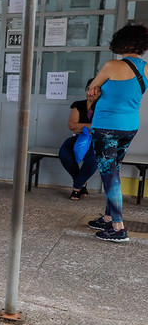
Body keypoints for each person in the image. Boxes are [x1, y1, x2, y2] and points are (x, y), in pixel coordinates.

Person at [86, 23, 148, 243]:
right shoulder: (146, 67)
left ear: (122, 43)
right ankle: (108, 217)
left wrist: (94, 94)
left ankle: (118, 227)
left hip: (107, 126)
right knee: (114, 169)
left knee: (109, 174)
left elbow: (92, 89)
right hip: (130, 126)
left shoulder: (112, 65)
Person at [58, 78, 98, 200]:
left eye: (95, 91)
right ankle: (82, 184)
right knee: (64, 153)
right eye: (88, 89)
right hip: (78, 138)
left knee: (93, 159)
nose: (90, 93)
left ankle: (76, 187)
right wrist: (90, 128)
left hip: (96, 140)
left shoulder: (104, 107)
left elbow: (101, 128)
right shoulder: (78, 105)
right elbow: (71, 126)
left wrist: (81, 127)